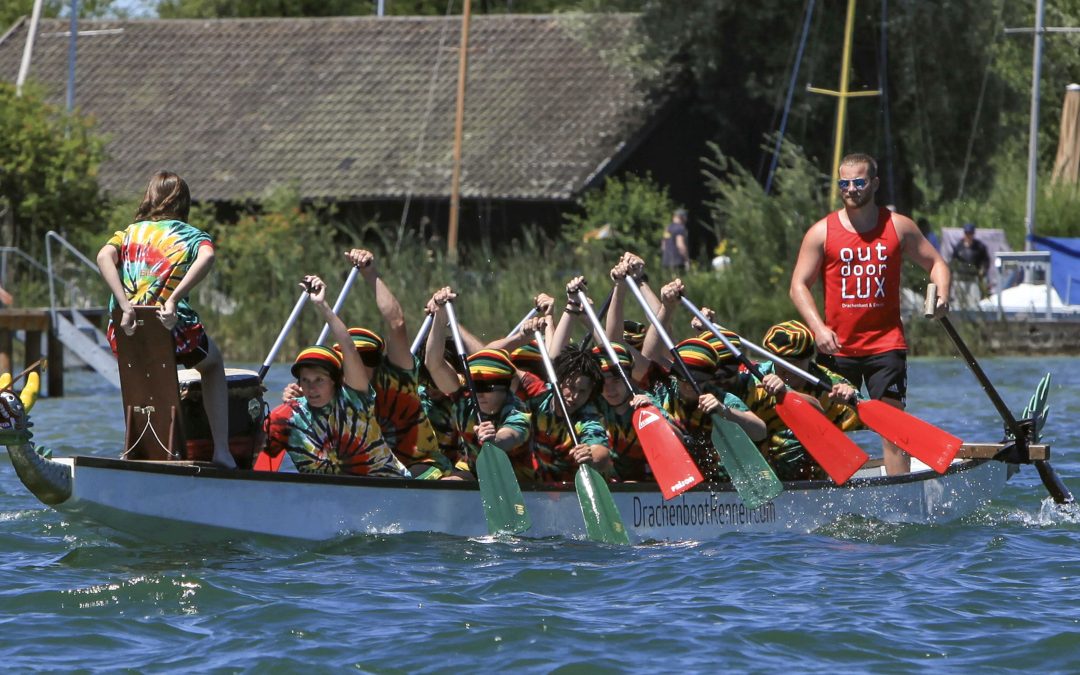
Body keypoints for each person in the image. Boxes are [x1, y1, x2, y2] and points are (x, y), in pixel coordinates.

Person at [789, 152, 951, 475]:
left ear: (874, 184)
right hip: (837, 347)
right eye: (844, 184)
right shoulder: (821, 232)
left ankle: (901, 493)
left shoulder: (898, 227)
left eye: (859, 182)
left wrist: (942, 296)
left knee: (893, 427)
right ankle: (827, 487)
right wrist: (818, 329)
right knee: (827, 425)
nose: (851, 189)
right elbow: (798, 286)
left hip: (885, 345)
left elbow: (936, 263)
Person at [96, 171, 236, 469]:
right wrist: (173, 299)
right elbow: (207, 258)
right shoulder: (193, 235)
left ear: (150, 198)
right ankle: (222, 452)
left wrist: (125, 305)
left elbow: (103, 257)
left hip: (126, 328)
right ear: (184, 203)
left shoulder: (128, 233)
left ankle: (137, 447)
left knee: (141, 372)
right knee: (213, 364)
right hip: (172, 328)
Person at [281, 249, 449, 478]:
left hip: (419, 465)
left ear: (379, 360)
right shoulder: (328, 390)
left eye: (368, 357)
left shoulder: (396, 376)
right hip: (364, 472)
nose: (359, 365)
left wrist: (370, 273)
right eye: (352, 359)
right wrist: (297, 398)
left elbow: (397, 323)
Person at [264, 276, 407, 477]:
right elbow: (258, 456)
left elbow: (349, 348)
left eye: (319, 380)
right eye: (306, 380)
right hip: (326, 494)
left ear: (336, 381)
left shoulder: (354, 400)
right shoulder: (288, 417)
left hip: (387, 485)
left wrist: (322, 306)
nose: (311, 388)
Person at [745, 320, 862, 481]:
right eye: (780, 362)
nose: (785, 370)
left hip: (811, 478)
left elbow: (872, 422)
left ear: (809, 358)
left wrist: (852, 402)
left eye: (794, 363)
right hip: (762, 476)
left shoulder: (830, 384)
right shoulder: (752, 378)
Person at [950, 221, 991, 305]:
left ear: (973, 234)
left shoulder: (979, 247)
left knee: (974, 302)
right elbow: (954, 261)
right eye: (966, 233)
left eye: (970, 233)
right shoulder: (959, 247)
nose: (968, 235)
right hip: (960, 278)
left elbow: (986, 261)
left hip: (974, 279)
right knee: (959, 302)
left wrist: (983, 270)